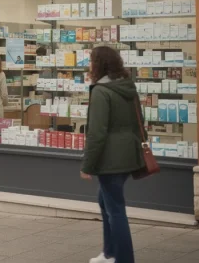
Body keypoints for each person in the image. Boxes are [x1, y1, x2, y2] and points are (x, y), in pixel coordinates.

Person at [81, 46, 146, 263]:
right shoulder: (127, 86)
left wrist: (87, 165)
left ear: (98, 64)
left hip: (110, 159)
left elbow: (97, 133)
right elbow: (140, 122)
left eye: (91, 61)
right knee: (105, 200)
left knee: (116, 210)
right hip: (129, 156)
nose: (89, 65)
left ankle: (123, 259)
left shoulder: (101, 91)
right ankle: (109, 252)